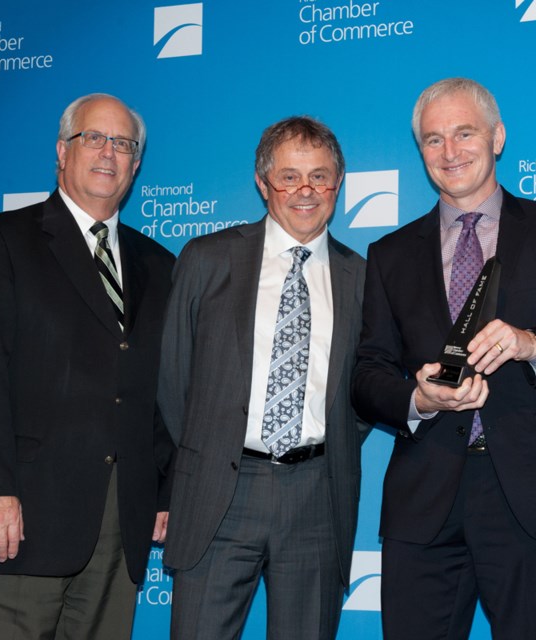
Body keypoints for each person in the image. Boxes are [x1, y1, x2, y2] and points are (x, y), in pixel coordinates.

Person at [352, 77, 536, 639]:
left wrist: (531, 345)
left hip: (531, 497)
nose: (450, 152)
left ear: (497, 137)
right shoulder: (389, 255)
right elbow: (367, 375)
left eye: (464, 133)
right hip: (423, 499)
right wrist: (416, 398)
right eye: (433, 139)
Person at [0, 93, 176, 639]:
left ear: (136, 165)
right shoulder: (0, 240)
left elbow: (161, 390)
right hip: (16, 519)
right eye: (93, 137)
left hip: (118, 529)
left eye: (123, 144)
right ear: (61, 152)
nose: (107, 153)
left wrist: (165, 491)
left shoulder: (160, 265)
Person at [158, 116, 369, 639]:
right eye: (289, 176)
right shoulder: (207, 260)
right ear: (262, 182)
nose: (306, 190)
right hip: (219, 493)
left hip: (317, 498)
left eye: (320, 177)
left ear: (338, 186)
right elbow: (172, 381)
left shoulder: (363, 277)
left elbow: (364, 396)